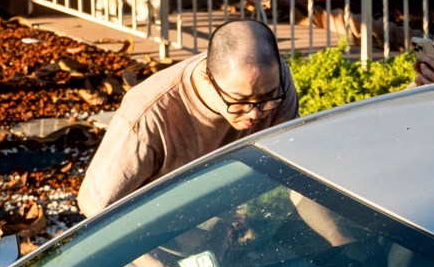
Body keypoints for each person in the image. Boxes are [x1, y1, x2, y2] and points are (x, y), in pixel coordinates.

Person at [77, 17, 299, 223]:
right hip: (143, 237)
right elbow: (92, 204)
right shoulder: (148, 117)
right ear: (206, 78)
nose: (255, 113)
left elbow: (294, 168)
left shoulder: (275, 84)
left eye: (266, 98)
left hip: (214, 223)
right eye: (240, 101)